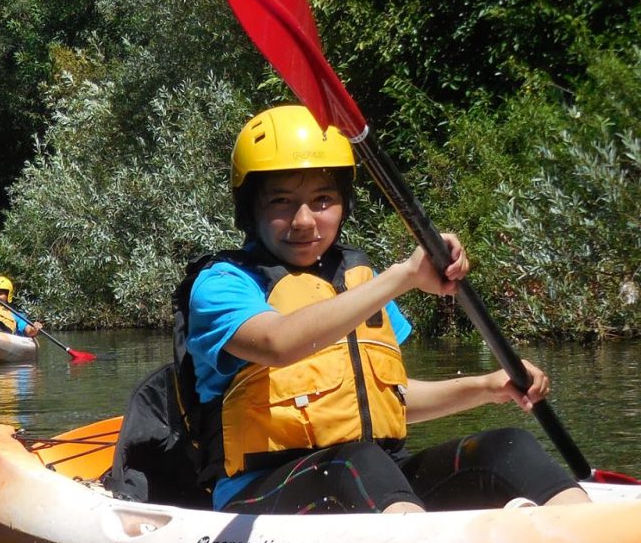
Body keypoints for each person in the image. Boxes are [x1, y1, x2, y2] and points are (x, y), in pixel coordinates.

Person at [180, 104, 588, 514]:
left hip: (371, 476)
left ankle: (590, 538)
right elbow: (277, 343)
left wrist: (486, 388)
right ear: (251, 209)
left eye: (322, 200)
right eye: (282, 202)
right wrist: (404, 275)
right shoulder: (222, 284)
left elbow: (391, 399)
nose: (304, 220)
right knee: (355, 464)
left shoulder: (358, 280)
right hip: (262, 491)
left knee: (506, 446)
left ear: (344, 205)